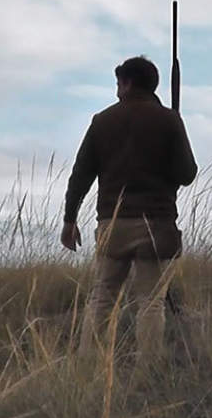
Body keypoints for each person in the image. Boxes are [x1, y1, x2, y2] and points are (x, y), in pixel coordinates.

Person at [60, 55, 197, 360]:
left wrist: (70, 220)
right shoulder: (169, 120)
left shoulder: (102, 120)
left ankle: (88, 367)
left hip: (113, 225)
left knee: (102, 299)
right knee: (151, 303)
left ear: (127, 82)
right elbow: (187, 175)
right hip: (156, 226)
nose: (116, 90)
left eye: (118, 83)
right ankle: (148, 372)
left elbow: (81, 175)